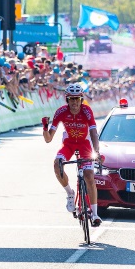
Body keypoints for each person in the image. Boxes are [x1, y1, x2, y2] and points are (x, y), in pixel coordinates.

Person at [43, 83, 102, 226]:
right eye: (71, 99)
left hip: (84, 144)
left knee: (89, 175)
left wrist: (97, 151)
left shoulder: (87, 111)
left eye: (77, 99)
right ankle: (70, 193)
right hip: (69, 144)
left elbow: (93, 132)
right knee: (57, 164)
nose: (74, 102)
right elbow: (48, 139)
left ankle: (94, 214)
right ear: (67, 100)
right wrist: (45, 127)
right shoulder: (61, 112)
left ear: (81, 99)